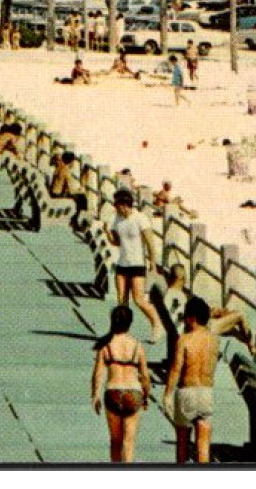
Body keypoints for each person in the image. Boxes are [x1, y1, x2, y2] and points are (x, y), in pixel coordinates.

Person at [91, 305, 151, 463]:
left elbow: (98, 373)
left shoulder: (106, 345)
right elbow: (145, 376)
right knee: (129, 443)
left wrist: (95, 395)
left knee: (115, 441)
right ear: (130, 323)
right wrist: (146, 396)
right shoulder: (137, 346)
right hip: (133, 393)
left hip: (113, 393)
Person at [103, 190, 163, 341]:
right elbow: (117, 242)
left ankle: (156, 324)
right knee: (122, 302)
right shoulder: (117, 219)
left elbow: (150, 242)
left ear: (124, 205)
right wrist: (107, 232)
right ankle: (121, 332)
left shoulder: (140, 218)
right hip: (122, 263)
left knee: (139, 300)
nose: (115, 208)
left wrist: (153, 263)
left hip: (137, 264)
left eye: (117, 205)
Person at [166, 296, 219, 463]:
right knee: (203, 447)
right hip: (206, 392)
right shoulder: (214, 340)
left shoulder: (184, 340)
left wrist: (167, 394)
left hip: (187, 392)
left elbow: (176, 369)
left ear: (192, 317)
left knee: (182, 444)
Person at [47, 151, 89, 229]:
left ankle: (75, 220)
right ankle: (77, 222)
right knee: (82, 199)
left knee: (79, 197)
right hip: (57, 196)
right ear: (72, 161)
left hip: (52, 193)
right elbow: (71, 190)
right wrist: (82, 190)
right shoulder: (66, 170)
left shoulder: (59, 167)